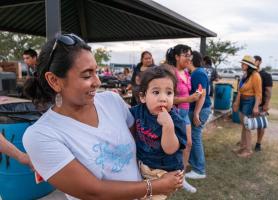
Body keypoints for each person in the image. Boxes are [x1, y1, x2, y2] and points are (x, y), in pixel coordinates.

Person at [22, 33, 183, 200]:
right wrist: (155, 186)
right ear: (54, 80)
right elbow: (93, 191)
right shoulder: (40, 135)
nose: (97, 81)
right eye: (86, 75)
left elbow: (142, 138)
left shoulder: (111, 101)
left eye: (96, 72)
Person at [130, 66, 187, 199]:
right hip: (143, 165)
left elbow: (170, 149)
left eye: (169, 93)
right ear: (143, 97)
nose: (163, 99)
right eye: (156, 92)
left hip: (164, 172)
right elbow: (123, 116)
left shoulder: (175, 120)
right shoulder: (139, 111)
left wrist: (168, 126)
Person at [165, 45, 201, 193]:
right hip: (174, 113)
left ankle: (181, 178)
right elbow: (167, 98)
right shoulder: (170, 73)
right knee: (172, 147)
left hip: (184, 113)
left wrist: (197, 94)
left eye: (190, 55)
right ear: (177, 57)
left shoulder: (186, 73)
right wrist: (189, 98)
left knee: (188, 144)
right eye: (186, 55)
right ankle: (167, 177)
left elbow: (189, 94)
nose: (189, 58)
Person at [185, 51, 212, 180]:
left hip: (200, 109)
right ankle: (194, 163)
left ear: (191, 60)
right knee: (192, 136)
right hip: (198, 109)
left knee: (195, 137)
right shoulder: (196, 72)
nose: (185, 58)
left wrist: (196, 113)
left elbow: (202, 94)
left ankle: (199, 170)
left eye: (187, 57)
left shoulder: (198, 73)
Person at [233, 55, 262, 158]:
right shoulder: (246, 75)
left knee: (247, 126)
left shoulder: (255, 76)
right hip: (243, 101)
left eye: (243, 63)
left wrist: (255, 107)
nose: (241, 65)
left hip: (249, 102)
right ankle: (243, 146)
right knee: (244, 126)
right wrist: (236, 102)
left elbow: (258, 94)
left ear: (248, 65)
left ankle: (248, 150)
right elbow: (240, 90)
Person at [254, 55, 273, 152]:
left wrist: (266, 104)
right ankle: (244, 141)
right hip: (250, 103)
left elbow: (268, 91)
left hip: (261, 105)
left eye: (255, 61)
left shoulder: (266, 75)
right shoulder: (249, 74)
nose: (253, 63)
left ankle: (258, 143)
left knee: (261, 124)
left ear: (259, 62)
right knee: (247, 123)